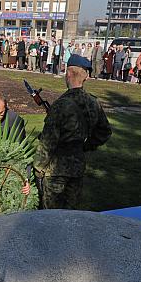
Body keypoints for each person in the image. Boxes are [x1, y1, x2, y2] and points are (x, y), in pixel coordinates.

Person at [33, 55, 112, 209]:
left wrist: (38, 168)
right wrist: (86, 146)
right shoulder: (93, 102)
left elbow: (48, 141)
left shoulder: (61, 105)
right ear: (85, 77)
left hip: (56, 170)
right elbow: (105, 132)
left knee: (51, 215)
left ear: (68, 74)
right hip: (78, 167)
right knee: (71, 214)